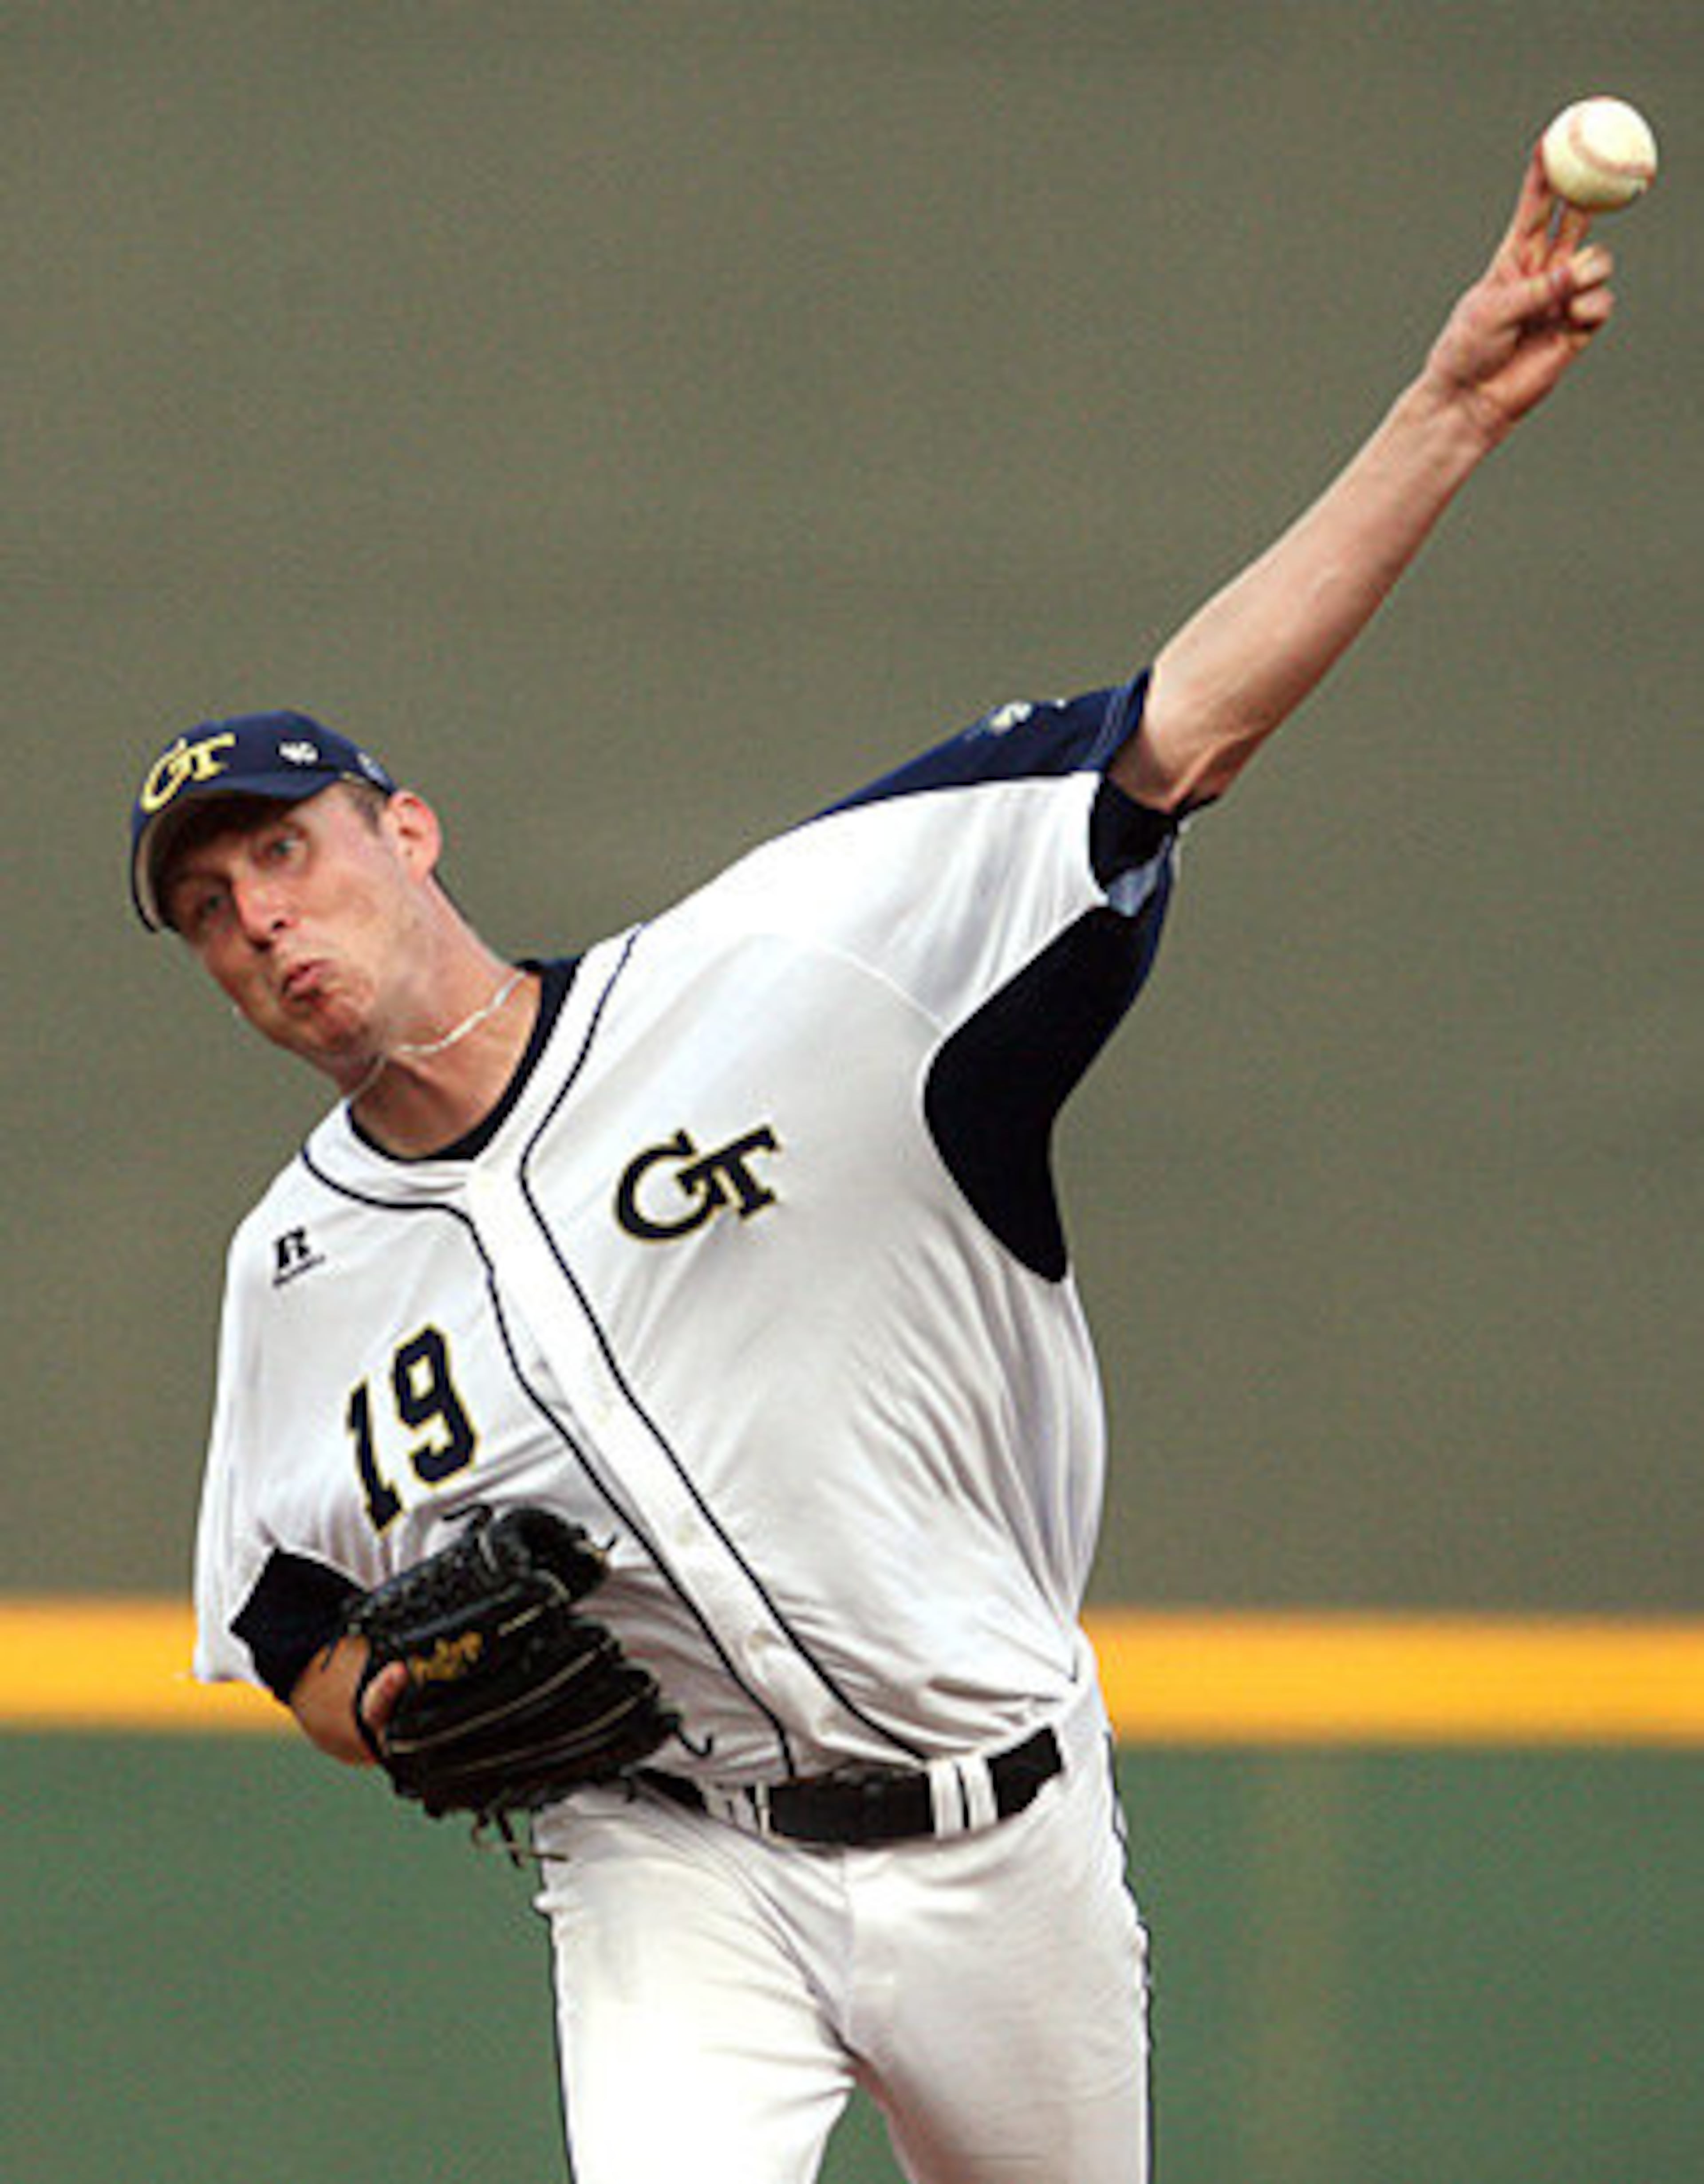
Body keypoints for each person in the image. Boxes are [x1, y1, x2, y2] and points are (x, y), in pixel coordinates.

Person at [131, 155, 1615, 2184]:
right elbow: (290, 1614)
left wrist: (1444, 415)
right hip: (671, 1864)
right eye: (209, 911)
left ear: (408, 830)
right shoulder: (297, 1267)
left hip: (998, 1831)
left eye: (285, 852)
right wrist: (383, 1706)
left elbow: (1172, 738)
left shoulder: (790, 974)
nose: (261, 922)